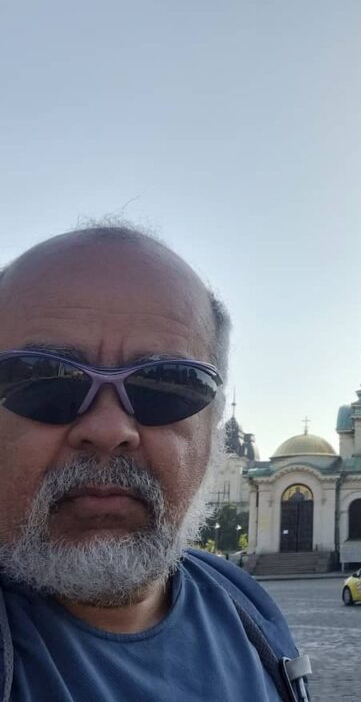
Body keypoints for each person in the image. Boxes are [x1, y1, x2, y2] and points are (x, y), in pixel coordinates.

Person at [0, 226, 310, 701]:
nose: (109, 430)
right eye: (42, 379)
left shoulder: (244, 605)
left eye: (167, 386)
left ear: (212, 426)